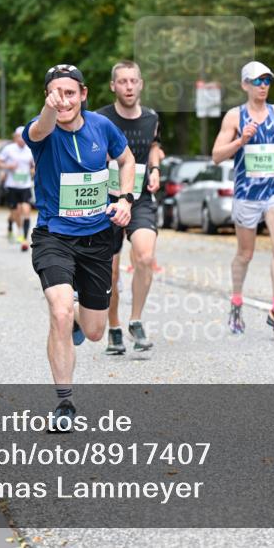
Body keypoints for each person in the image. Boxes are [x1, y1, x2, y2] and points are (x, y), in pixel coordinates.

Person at [24, 64, 135, 430]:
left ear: (84, 94)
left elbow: (126, 159)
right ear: (47, 97)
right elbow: (41, 128)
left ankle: (75, 317)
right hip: (53, 236)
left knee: (94, 331)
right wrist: (49, 110)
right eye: (56, 93)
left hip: (97, 238)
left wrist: (125, 198)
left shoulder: (103, 127)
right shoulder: (41, 130)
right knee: (57, 310)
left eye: (70, 93)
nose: (64, 99)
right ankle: (64, 403)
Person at [211, 61, 274, 335]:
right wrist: (240, 142)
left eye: (267, 81)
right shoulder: (235, 117)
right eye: (257, 81)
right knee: (245, 254)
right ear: (245, 85)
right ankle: (236, 302)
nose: (263, 86)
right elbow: (216, 156)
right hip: (247, 194)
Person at [93, 60, 160, 354]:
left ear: (141, 84)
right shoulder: (99, 119)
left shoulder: (151, 117)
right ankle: (114, 327)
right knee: (111, 273)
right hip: (107, 199)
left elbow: (154, 146)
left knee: (145, 257)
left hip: (140, 196)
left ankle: (135, 321)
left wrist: (156, 168)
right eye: (123, 81)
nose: (129, 87)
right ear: (113, 86)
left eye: (133, 81)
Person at [0, 127, 36, 251]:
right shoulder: (9, 149)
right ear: (15, 137)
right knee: (16, 212)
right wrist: (8, 166)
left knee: (26, 210)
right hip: (12, 185)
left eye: (24, 137)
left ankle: (24, 237)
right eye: (19, 137)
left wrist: (32, 171)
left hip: (25, 185)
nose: (22, 139)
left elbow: (34, 165)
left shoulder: (30, 149)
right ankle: (12, 226)